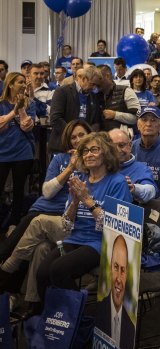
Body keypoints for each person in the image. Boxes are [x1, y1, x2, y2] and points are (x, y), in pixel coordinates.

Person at [36, 132, 132, 304]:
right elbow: (66, 225)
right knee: (42, 272)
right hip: (75, 238)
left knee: (59, 270)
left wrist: (88, 201)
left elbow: (115, 227)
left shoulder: (117, 183)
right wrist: (74, 202)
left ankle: (75, 319)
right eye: (85, 151)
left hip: (100, 243)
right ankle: (50, 318)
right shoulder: (80, 179)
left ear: (106, 153)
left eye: (94, 149)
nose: (88, 154)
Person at [0, 120, 90, 261]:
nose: (78, 140)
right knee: (28, 224)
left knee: (32, 226)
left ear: (89, 136)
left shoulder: (93, 162)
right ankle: (6, 265)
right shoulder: (60, 159)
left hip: (64, 213)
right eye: (73, 137)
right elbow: (47, 192)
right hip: (42, 207)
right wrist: (70, 168)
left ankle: (5, 264)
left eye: (81, 135)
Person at [0, 72, 36, 228]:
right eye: (20, 82)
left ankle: (14, 224)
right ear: (10, 84)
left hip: (23, 152)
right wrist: (14, 111)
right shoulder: (1, 104)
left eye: (24, 82)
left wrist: (21, 108)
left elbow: (27, 127)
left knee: (19, 189)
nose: (23, 85)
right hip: (2, 152)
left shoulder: (30, 103)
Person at [95, 235, 136, 349]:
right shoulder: (98, 312)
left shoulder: (130, 327)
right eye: (116, 267)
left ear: (127, 274)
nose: (118, 278)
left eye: (123, 270)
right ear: (110, 269)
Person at [48, 66, 103, 152]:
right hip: (62, 146)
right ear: (84, 78)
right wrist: (73, 135)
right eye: (92, 84)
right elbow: (55, 119)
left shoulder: (94, 95)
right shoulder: (62, 91)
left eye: (96, 85)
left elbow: (96, 121)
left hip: (85, 147)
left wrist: (86, 137)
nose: (94, 88)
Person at [108, 128, 157, 203]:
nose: (117, 150)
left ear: (130, 146)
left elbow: (151, 190)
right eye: (112, 147)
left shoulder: (141, 169)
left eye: (121, 145)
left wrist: (134, 188)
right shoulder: (101, 166)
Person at [97, 65, 140, 133]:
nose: (96, 81)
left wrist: (115, 115)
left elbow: (136, 118)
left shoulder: (126, 91)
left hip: (122, 139)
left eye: (99, 78)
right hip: (102, 139)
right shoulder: (95, 95)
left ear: (107, 76)